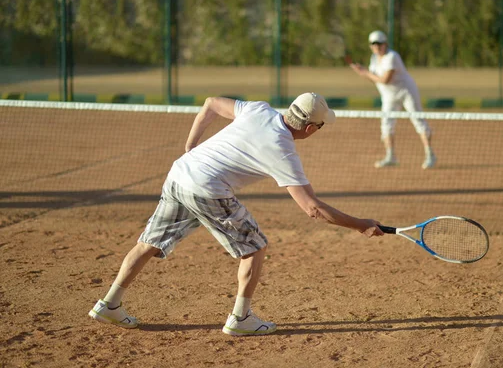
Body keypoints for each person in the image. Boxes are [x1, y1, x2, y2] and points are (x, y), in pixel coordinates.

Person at [88, 92, 384, 336]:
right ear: (309, 129)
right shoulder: (283, 150)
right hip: (207, 189)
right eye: (321, 126)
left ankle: (109, 303)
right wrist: (360, 225)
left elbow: (211, 103)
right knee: (254, 247)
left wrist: (191, 146)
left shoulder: (258, 109)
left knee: (148, 243)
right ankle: (241, 319)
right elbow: (313, 208)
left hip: (180, 173)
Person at [350, 30, 436, 169]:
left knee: (418, 120)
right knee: (386, 124)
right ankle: (391, 156)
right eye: (373, 44)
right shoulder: (374, 58)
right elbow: (376, 80)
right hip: (389, 95)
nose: (377, 46)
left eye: (379, 43)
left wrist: (365, 73)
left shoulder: (392, 56)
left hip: (406, 92)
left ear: (385, 44)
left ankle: (430, 155)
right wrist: (363, 73)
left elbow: (385, 79)